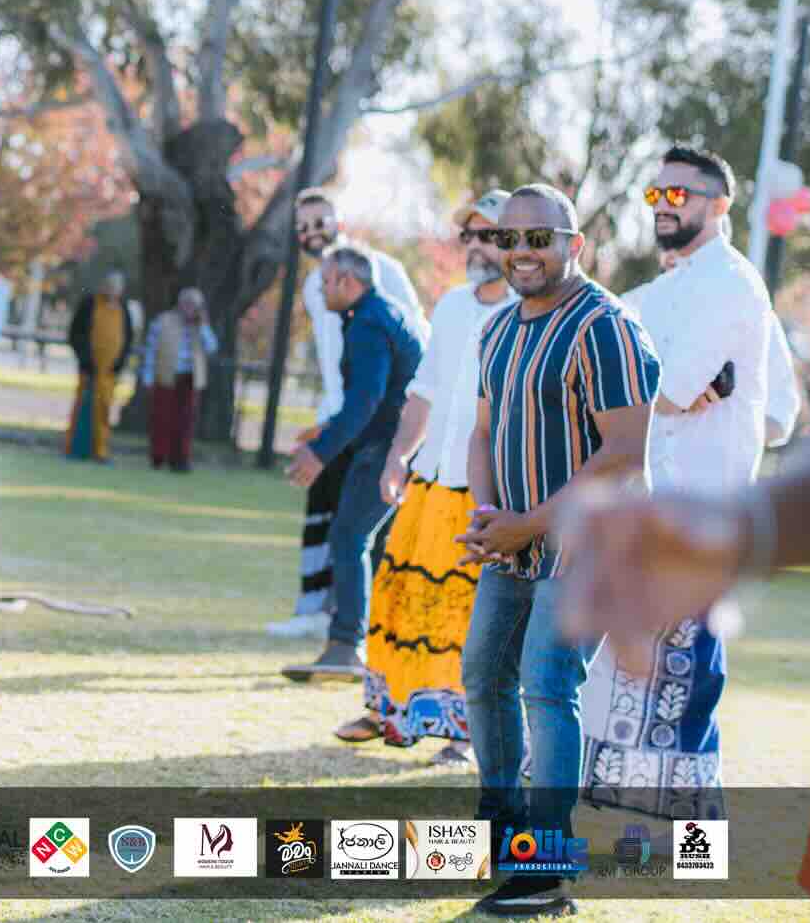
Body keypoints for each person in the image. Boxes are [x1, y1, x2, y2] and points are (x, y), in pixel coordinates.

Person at [458, 184, 659, 919]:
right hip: (514, 538)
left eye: (539, 237)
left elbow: (627, 450)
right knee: (481, 673)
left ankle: (544, 865)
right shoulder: (498, 328)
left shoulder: (605, 325)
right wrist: (488, 515)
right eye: (508, 239)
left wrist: (530, 521)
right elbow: (483, 431)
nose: (522, 252)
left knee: (546, 683)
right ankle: (503, 826)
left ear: (574, 242)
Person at [556, 424, 810, 907]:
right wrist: (741, 524)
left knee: (685, 717)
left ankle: (696, 843)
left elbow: (773, 418)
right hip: (693, 550)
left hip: (701, 562)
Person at [576, 146, 772, 821]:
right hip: (647, 498)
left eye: (680, 194)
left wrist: (675, 388)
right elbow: (626, 363)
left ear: (719, 205)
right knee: (631, 670)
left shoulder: (734, 283)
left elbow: (668, 380)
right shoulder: (659, 291)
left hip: (704, 507)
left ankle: (695, 829)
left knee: (687, 674)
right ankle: (639, 821)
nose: (665, 206)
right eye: (656, 195)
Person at [336, 191, 515, 763]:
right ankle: (388, 712)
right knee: (399, 592)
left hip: (484, 487)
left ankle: (465, 734)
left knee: (466, 609)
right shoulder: (455, 307)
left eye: (491, 234)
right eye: (472, 235)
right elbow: (424, 391)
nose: (479, 246)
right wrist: (397, 457)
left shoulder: (527, 314)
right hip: (430, 477)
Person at [271, 188, 428, 640]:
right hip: (348, 412)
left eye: (319, 222)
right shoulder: (314, 286)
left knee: (357, 527)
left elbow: (405, 346)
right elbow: (332, 357)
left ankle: (357, 628)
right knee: (329, 519)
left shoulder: (377, 277)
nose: (310, 233)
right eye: (302, 226)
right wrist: (328, 425)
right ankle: (319, 612)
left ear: (339, 222)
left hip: (379, 416)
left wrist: (340, 434)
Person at [142, 288, 217, 473]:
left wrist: (203, 327)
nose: (190, 309)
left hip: (190, 379)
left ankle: (180, 459)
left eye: (195, 305)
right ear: (180, 304)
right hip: (166, 375)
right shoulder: (163, 321)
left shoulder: (201, 326)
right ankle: (158, 457)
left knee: (185, 422)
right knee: (162, 419)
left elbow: (212, 347)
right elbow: (151, 350)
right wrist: (148, 376)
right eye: (187, 304)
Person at [64, 270, 133, 462]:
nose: (112, 290)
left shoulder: (123, 308)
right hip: (89, 369)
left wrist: (120, 362)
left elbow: (127, 338)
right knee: (83, 406)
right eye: (109, 286)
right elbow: (75, 334)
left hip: (110, 371)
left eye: (116, 287)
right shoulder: (89, 303)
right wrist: (85, 359)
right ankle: (75, 449)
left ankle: (100, 451)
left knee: (104, 409)